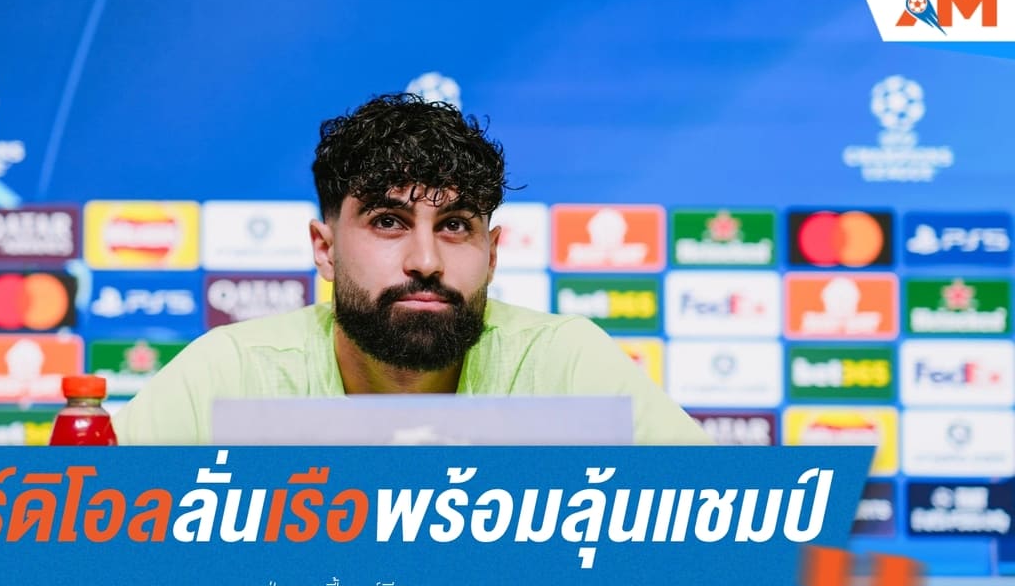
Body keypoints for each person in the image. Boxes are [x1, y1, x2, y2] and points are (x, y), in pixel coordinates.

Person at [112, 93, 710, 445]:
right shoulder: (228, 377)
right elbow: (91, 562)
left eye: (455, 226)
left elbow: (721, 551)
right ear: (325, 249)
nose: (426, 261)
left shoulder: (566, 364)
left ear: (492, 254)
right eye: (388, 222)